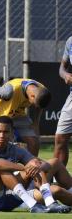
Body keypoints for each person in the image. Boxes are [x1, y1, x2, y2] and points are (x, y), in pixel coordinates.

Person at [0, 116, 69, 213]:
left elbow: (43, 164)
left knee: (35, 163)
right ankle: (33, 204)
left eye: (5, 132)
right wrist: (24, 168)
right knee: (1, 166)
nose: (1, 135)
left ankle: (50, 202)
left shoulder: (15, 149)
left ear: (12, 133)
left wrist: (36, 166)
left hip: (10, 198)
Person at [0, 78, 51, 156]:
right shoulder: (9, 91)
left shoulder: (41, 90)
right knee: (1, 146)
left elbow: (39, 107)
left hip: (18, 115)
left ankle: (32, 166)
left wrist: (35, 124)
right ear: (32, 96)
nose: (35, 106)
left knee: (34, 142)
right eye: (35, 104)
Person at [54, 37, 72, 166]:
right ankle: (60, 178)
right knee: (60, 138)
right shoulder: (70, 41)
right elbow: (62, 68)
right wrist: (65, 75)